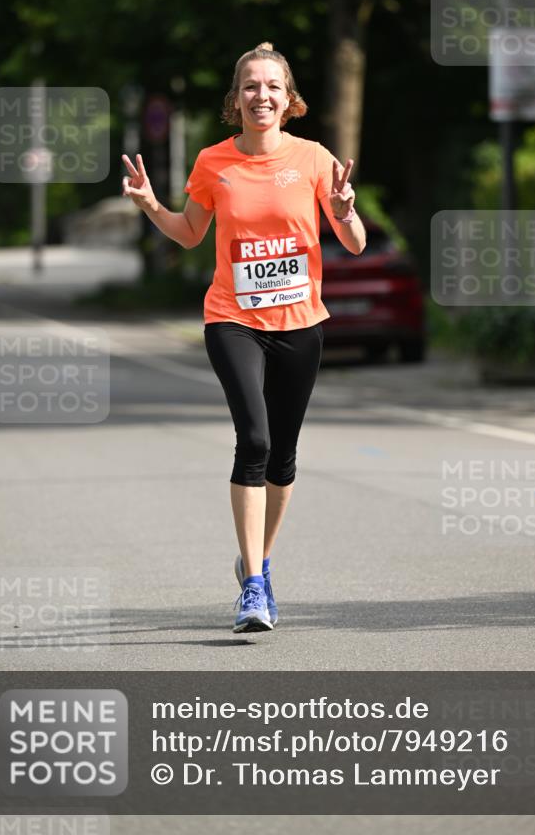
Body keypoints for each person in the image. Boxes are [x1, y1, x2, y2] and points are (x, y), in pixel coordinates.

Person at [122, 42, 367, 632]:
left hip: (301, 323)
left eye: (273, 87)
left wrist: (344, 208)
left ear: (290, 100)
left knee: (282, 458)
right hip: (232, 318)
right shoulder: (213, 162)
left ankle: (258, 559)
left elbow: (353, 241)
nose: (262, 96)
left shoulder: (313, 159)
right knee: (253, 441)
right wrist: (151, 203)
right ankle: (253, 588)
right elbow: (188, 233)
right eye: (251, 87)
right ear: (237, 99)